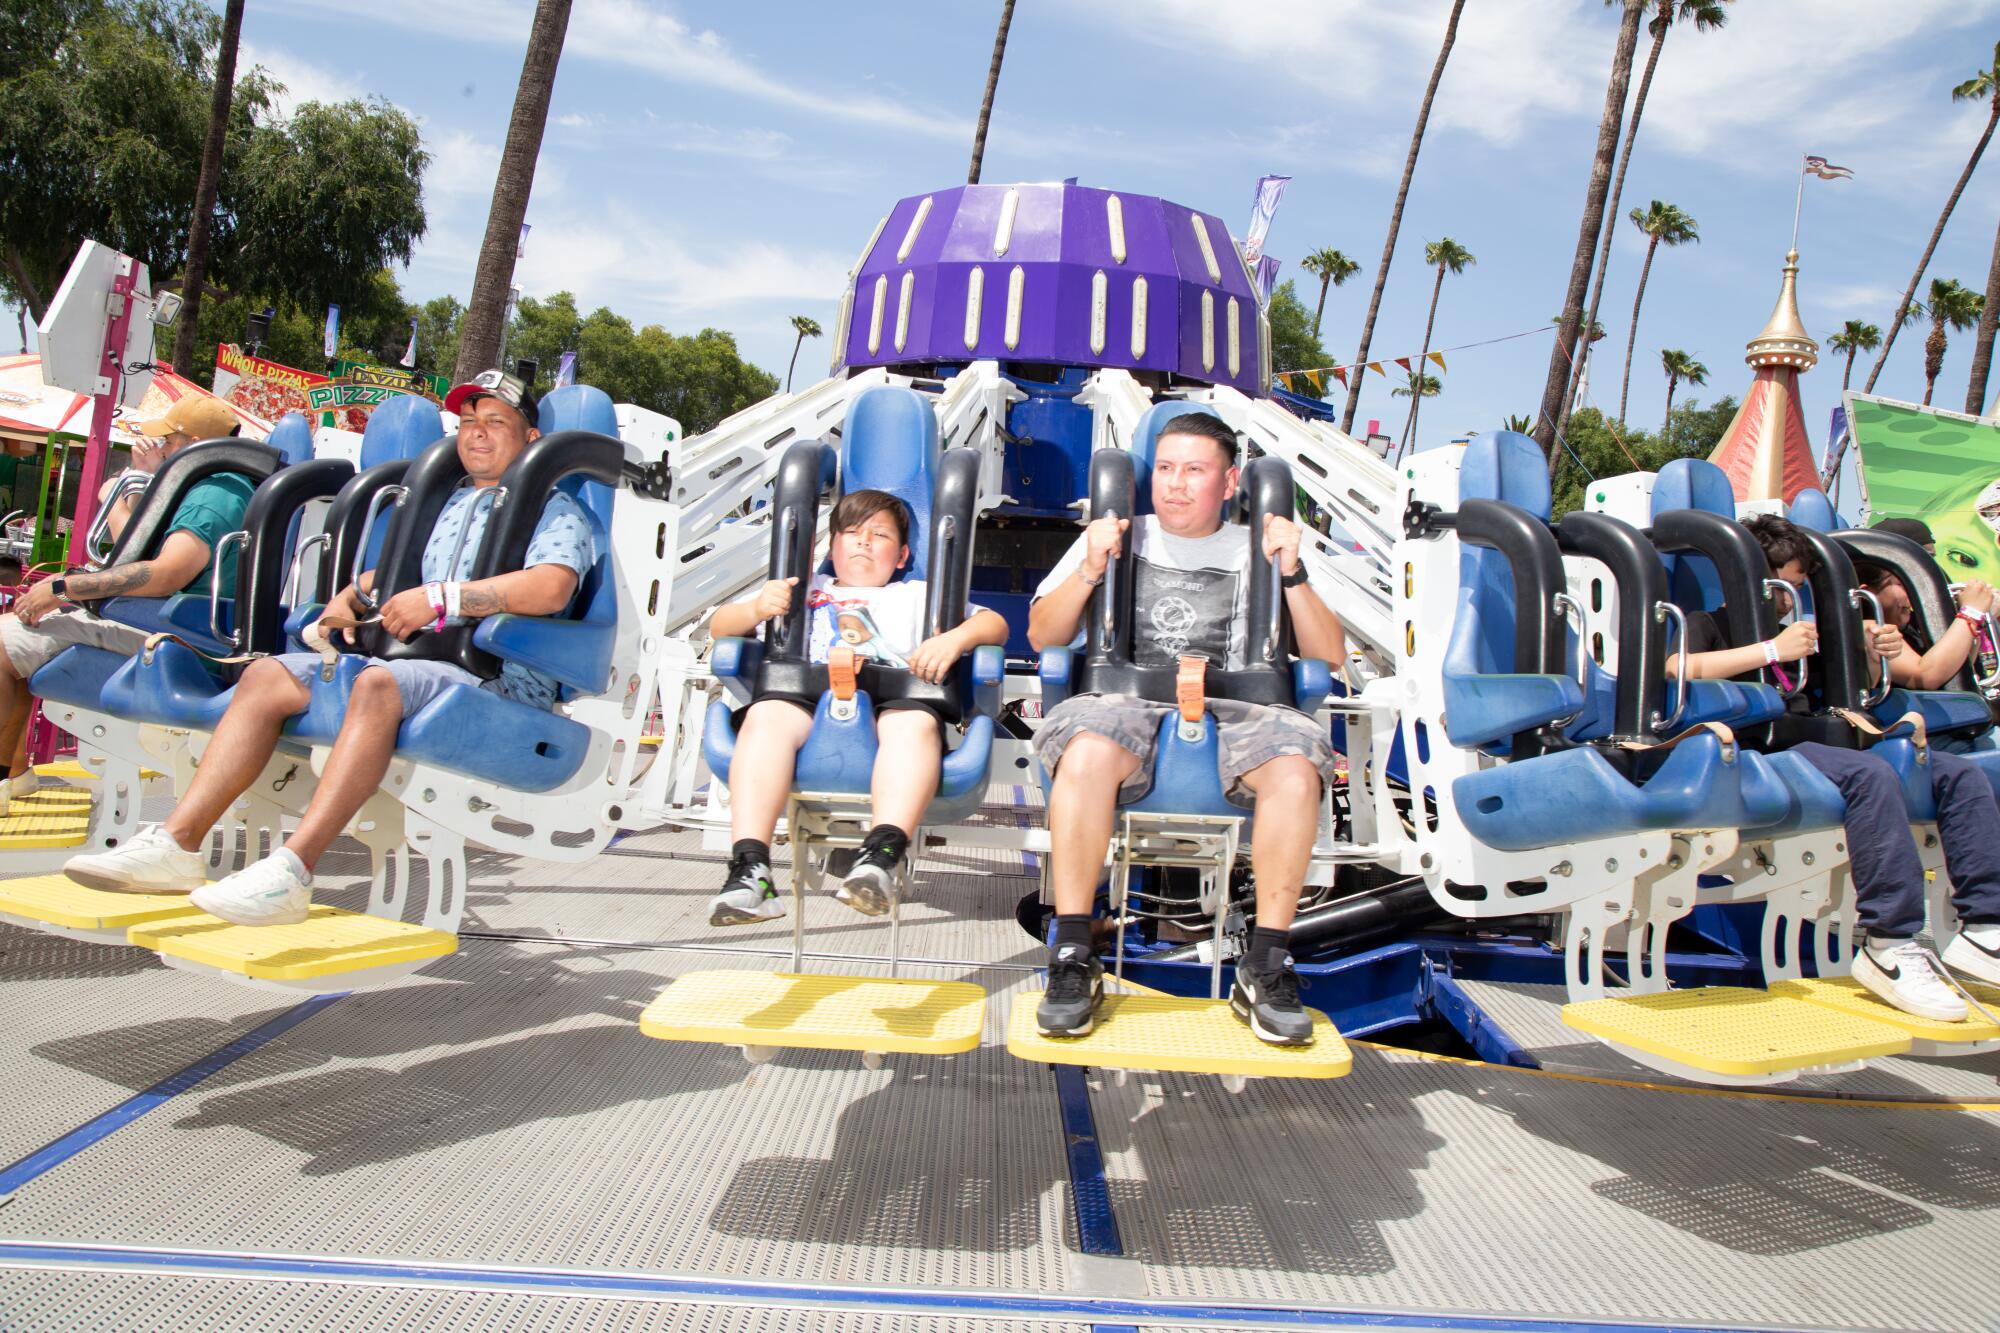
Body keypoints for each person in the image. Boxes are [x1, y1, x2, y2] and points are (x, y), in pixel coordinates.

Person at [62, 369, 595, 926]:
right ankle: (177, 845)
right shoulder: (452, 501)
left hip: (494, 675)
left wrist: (442, 598)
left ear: (531, 439)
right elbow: (397, 573)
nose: (477, 435)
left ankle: (292, 871)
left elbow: (550, 585)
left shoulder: (554, 509)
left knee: (376, 682)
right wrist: (350, 599)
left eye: (494, 423)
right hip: (415, 658)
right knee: (267, 676)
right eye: (467, 423)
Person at [1025, 411, 1346, 1044]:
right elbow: (1042, 636)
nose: (1175, 484)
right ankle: (1070, 951)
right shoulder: (1116, 532)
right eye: (1166, 469)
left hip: (1241, 705)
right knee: (1086, 750)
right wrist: (1090, 568)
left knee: (1295, 763)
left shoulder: (1261, 541)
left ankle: (1267, 961)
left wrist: (1293, 573)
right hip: (1127, 700)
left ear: (1227, 483)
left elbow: (1329, 654)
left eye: (1194, 471)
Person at [1667, 514, 2000, 1018]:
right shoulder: (1707, 625)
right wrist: (1769, 650)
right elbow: (1676, 669)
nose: (1788, 600)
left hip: (1824, 741)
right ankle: (1888, 942)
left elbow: (1853, 687)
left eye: (1796, 588)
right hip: (1762, 749)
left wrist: (1872, 654)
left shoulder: (1803, 637)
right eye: (1785, 588)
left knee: (1960, 775)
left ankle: (1985, 925)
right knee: (1871, 776)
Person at [705, 489, 1009, 925]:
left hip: (894, 699)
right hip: (806, 697)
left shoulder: (917, 596)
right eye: (852, 532)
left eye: (880, 535)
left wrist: (952, 639)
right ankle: (750, 867)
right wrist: (756, 607)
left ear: (902, 555)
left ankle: (882, 854)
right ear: (832, 547)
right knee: (765, 717)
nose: (864, 541)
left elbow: (995, 624)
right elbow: (719, 626)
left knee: (913, 726)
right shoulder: (804, 589)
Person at [0, 396, 252, 815]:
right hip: (164, 619)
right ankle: (13, 774)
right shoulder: (208, 486)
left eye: (167, 443)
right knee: (18, 634)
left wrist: (65, 589)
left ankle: (8, 774)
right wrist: (129, 492)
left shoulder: (214, 497)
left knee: (4, 641)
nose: (161, 450)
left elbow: (167, 573)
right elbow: (134, 552)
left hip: (179, 632)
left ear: (190, 443)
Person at [1851, 559, 1996, 695]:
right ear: (1868, 593)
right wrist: (1971, 613)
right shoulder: (1868, 629)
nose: (1912, 594)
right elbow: (1924, 677)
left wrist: (1976, 620)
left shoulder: (1911, 625)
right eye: (1901, 584)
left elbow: (1958, 670)